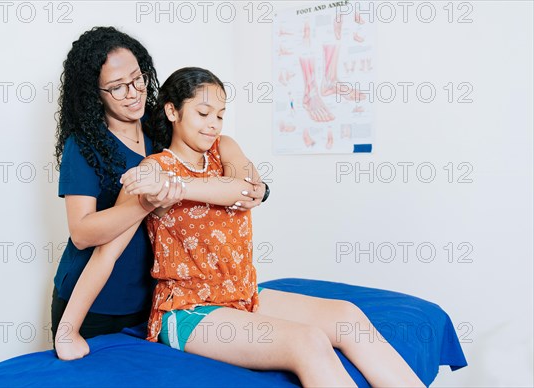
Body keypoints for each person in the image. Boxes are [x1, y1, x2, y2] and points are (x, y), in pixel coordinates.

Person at [98, 67, 426, 387]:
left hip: (242, 294)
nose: (213, 124)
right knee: (307, 342)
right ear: (172, 111)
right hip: (186, 309)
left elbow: (246, 188)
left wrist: (182, 187)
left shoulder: (222, 148)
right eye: (203, 113)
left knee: (348, 317)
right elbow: (106, 251)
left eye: (220, 115)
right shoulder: (154, 170)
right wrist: (69, 329)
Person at [52, 27, 267, 360]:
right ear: (95, 93)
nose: (133, 92)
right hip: (95, 305)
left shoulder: (160, 131)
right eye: (117, 87)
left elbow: (211, 159)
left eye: (137, 79)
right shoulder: (83, 147)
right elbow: (82, 234)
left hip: (151, 298)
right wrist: (146, 202)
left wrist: (251, 179)